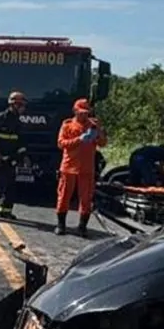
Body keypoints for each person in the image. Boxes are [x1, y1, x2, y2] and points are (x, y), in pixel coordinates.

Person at [55, 98, 107, 237]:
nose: (84, 115)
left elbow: (102, 143)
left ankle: (82, 226)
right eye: (81, 112)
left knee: (86, 199)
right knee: (64, 196)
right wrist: (79, 139)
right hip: (69, 167)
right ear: (75, 111)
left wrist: (99, 131)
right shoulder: (67, 125)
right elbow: (61, 143)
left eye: (86, 112)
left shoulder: (93, 125)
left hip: (86, 168)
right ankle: (61, 225)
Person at [0, 91, 28, 220]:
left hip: (11, 158)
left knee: (10, 185)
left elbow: (20, 141)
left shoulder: (18, 122)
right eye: (20, 105)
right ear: (13, 105)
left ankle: (5, 210)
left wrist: (23, 156)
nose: (22, 108)